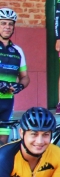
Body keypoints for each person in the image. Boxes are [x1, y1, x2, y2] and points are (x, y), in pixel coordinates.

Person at [0, 9, 29, 145]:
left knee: (3, 142)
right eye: (3, 23)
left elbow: (25, 77)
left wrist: (20, 85)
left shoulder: (18, 50)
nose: (7, 27)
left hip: (7, 103)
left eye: (10, 24)